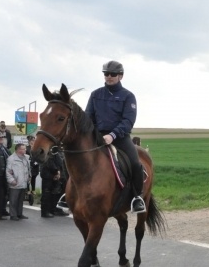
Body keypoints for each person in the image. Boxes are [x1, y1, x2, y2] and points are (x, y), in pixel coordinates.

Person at [77, 60, 146, 214]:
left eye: (113, 74)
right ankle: (68, 194)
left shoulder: (128, 96)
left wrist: (112, 135)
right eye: (106, 74)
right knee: (75, 157)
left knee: (135, 163)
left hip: (120, 137)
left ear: (120, 76)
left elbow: (128, 121)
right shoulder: (95, 94)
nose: (109, 76)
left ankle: (137, 197)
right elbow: (88, 118)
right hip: (97, 136)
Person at [5, 143, 31, 220]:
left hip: (23, 181)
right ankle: (13, 215)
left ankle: (19, 213)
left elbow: (28, 168)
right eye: (23, 149)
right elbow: (8, 171)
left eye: (25, 149)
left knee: (20, 199)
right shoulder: (11, 159)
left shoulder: (26, 157)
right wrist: (12, 180)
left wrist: (29, 176)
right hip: (15, 182)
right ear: (18, 150)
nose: (25, 150)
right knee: (13, 200)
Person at [40, 150, 65, 218]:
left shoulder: (55, 152)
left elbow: (60, 162)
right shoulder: (47, 152)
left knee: (54, 194)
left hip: (53, 175)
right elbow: (49, 163)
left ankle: (52, 209)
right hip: (47, 175)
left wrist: (58, 171)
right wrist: (56, 172)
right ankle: (45, 212)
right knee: (46, 194)